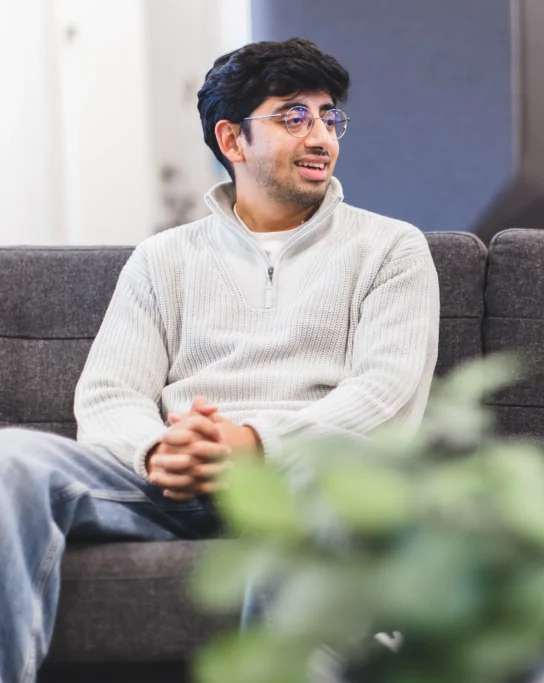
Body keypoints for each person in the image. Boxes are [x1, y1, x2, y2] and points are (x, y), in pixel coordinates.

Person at [0, 38, 439, 682]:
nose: (321, 135)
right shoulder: (163, 258)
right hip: (172, 483)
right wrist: (157, 451)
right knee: (11, 458)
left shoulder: (390, 249)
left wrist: (253, 442)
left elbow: (385, 393)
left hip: (302, 475)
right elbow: (109, 395)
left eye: (329, 116)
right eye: (294, 116)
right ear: (232, 140)